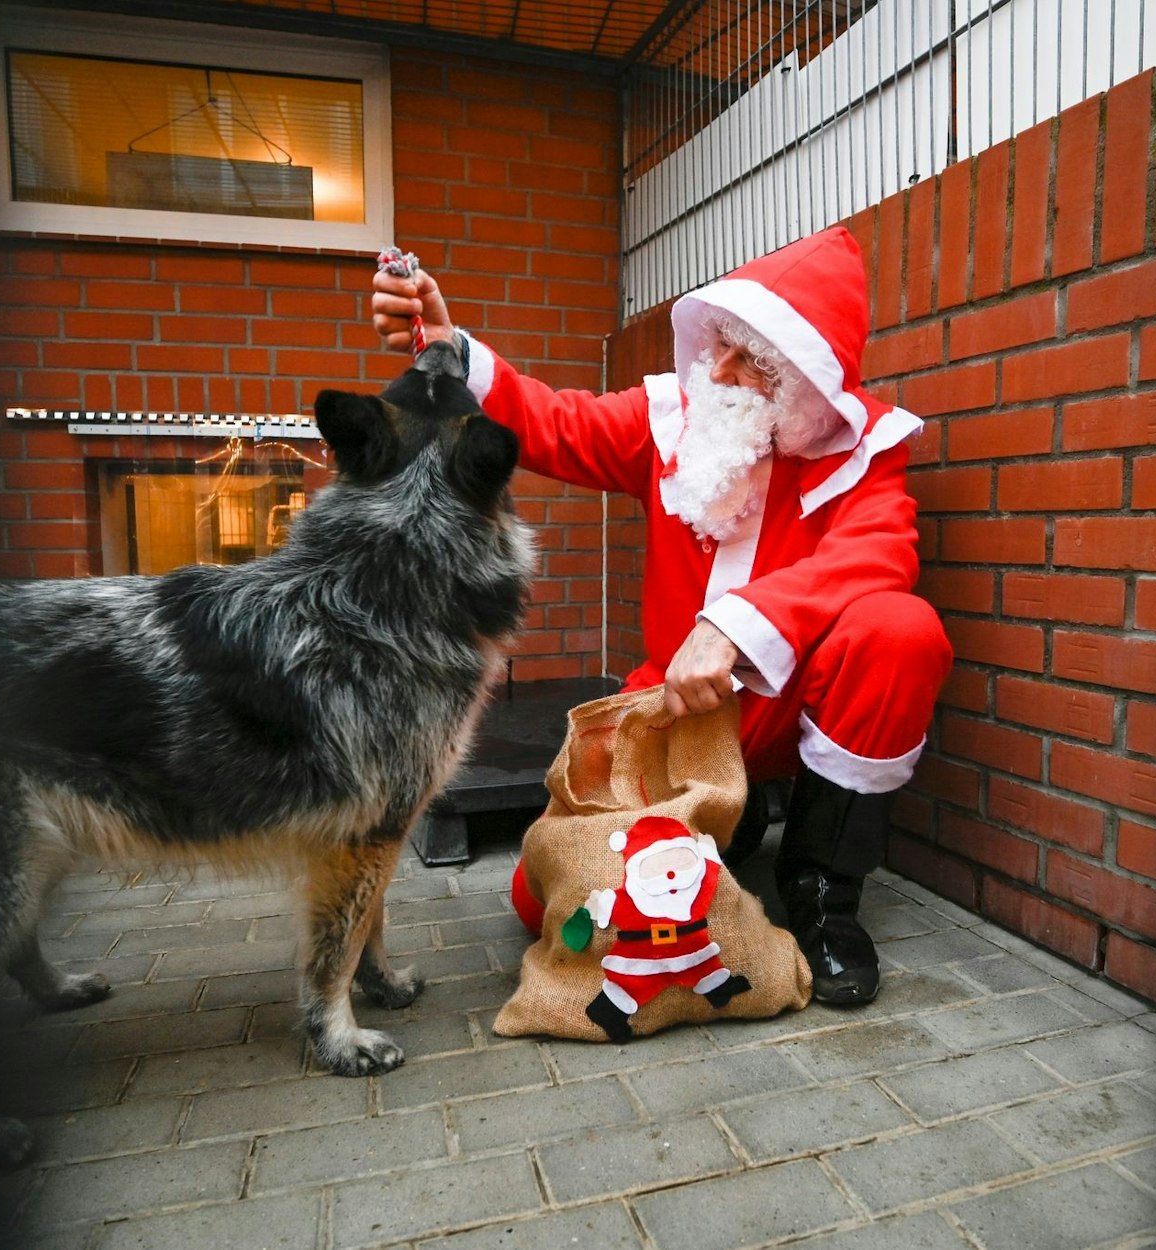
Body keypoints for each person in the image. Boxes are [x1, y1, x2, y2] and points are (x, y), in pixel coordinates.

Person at [370, 226, 953, 1006]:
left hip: (792, 701)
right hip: (674, 712)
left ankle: (822, 892)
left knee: (901, 630)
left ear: (803, 385)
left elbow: (880, 555)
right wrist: (447, 346)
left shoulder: (866, 451)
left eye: (749, 361)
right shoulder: (675, 416)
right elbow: (553, 423)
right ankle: (723, 822)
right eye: (719, 346)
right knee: (540, 902)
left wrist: (733, 625)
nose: (717, 368)